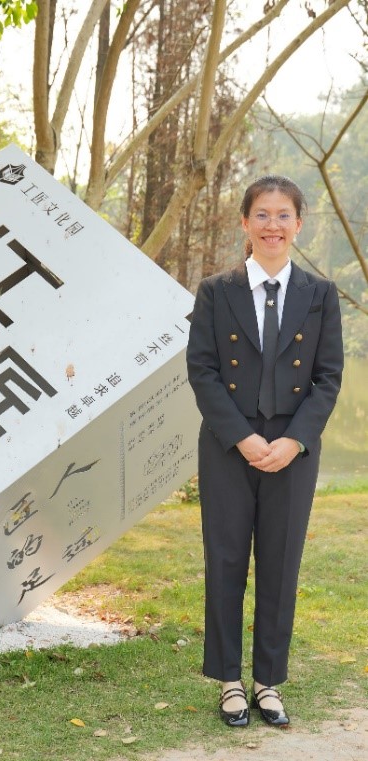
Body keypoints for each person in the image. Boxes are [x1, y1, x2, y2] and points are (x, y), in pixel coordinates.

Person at [186, 175, 343, 727]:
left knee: (280, 563)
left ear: (298, 224)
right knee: (226, 560)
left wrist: (296, 440)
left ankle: (267, 682)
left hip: (293, 449)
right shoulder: (216, 290)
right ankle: (229, 681)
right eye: (262, 214)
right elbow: (202, 370)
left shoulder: (320, 294)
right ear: (245, 222)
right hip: (229, 445)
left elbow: (328, 377)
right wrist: (243, 437)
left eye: (282, 216)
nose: (272, 225)